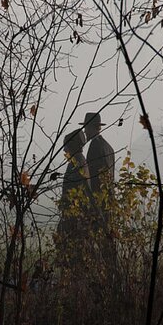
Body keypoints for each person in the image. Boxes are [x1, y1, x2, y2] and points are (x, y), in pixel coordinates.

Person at [79, 112, 117, 280]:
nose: (85, 132)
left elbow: (91, 179)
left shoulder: (94, 147)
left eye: (86, 128)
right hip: (109, 203)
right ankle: (112, 278)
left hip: (96, 205)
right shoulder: (109, 147)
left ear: (91, 128)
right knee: (107, 245)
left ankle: (99, 280)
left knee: (93, 246)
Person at [56, 128, 91, 269]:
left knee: (72, 263)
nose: (65, 150)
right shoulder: (80, 162)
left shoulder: (76, 164)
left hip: (74, 223)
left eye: (67, 146)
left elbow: (72, 196)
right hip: (76, 221)